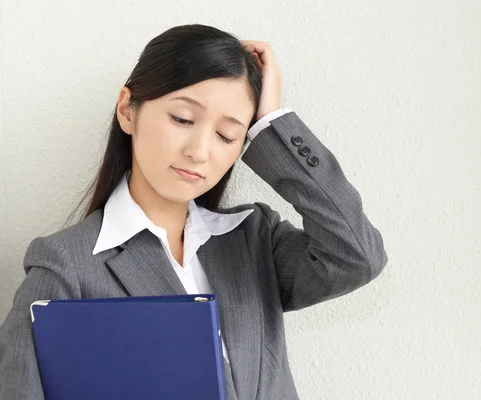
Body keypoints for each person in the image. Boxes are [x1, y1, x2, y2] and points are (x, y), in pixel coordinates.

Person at [0, 24, 387, 399]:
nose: (199, 151)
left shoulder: (255, 239)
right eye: (182, 119)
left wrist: (273, 127)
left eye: (227, 135)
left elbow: (357, 256)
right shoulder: (66, 265)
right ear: (127, 110)